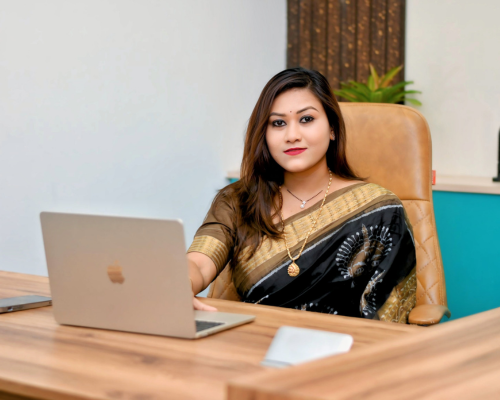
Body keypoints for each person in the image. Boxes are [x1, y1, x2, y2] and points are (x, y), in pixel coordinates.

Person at [186, 67, 416, 323]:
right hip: (254, 339)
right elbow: (199, 262)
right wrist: (182, 283)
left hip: (346, 344)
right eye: (278, 123)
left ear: (332, 128)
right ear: (264, 134)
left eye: (306, 119)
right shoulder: (238, 201)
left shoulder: (380, 209)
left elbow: (389, 314)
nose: (292, 135)